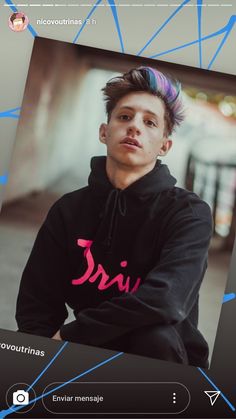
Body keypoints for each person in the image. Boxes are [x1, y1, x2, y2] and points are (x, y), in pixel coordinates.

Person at [16, 66, 212, 367]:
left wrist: (71, 336)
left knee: (154, 335)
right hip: (87, 356)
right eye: (124, 116)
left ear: (164, 146)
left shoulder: (189, 214)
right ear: (104, 132)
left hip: (164, 361)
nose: (134, 127)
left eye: (149, 122)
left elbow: (165, 300)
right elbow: (36, 304)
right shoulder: (68, 210)